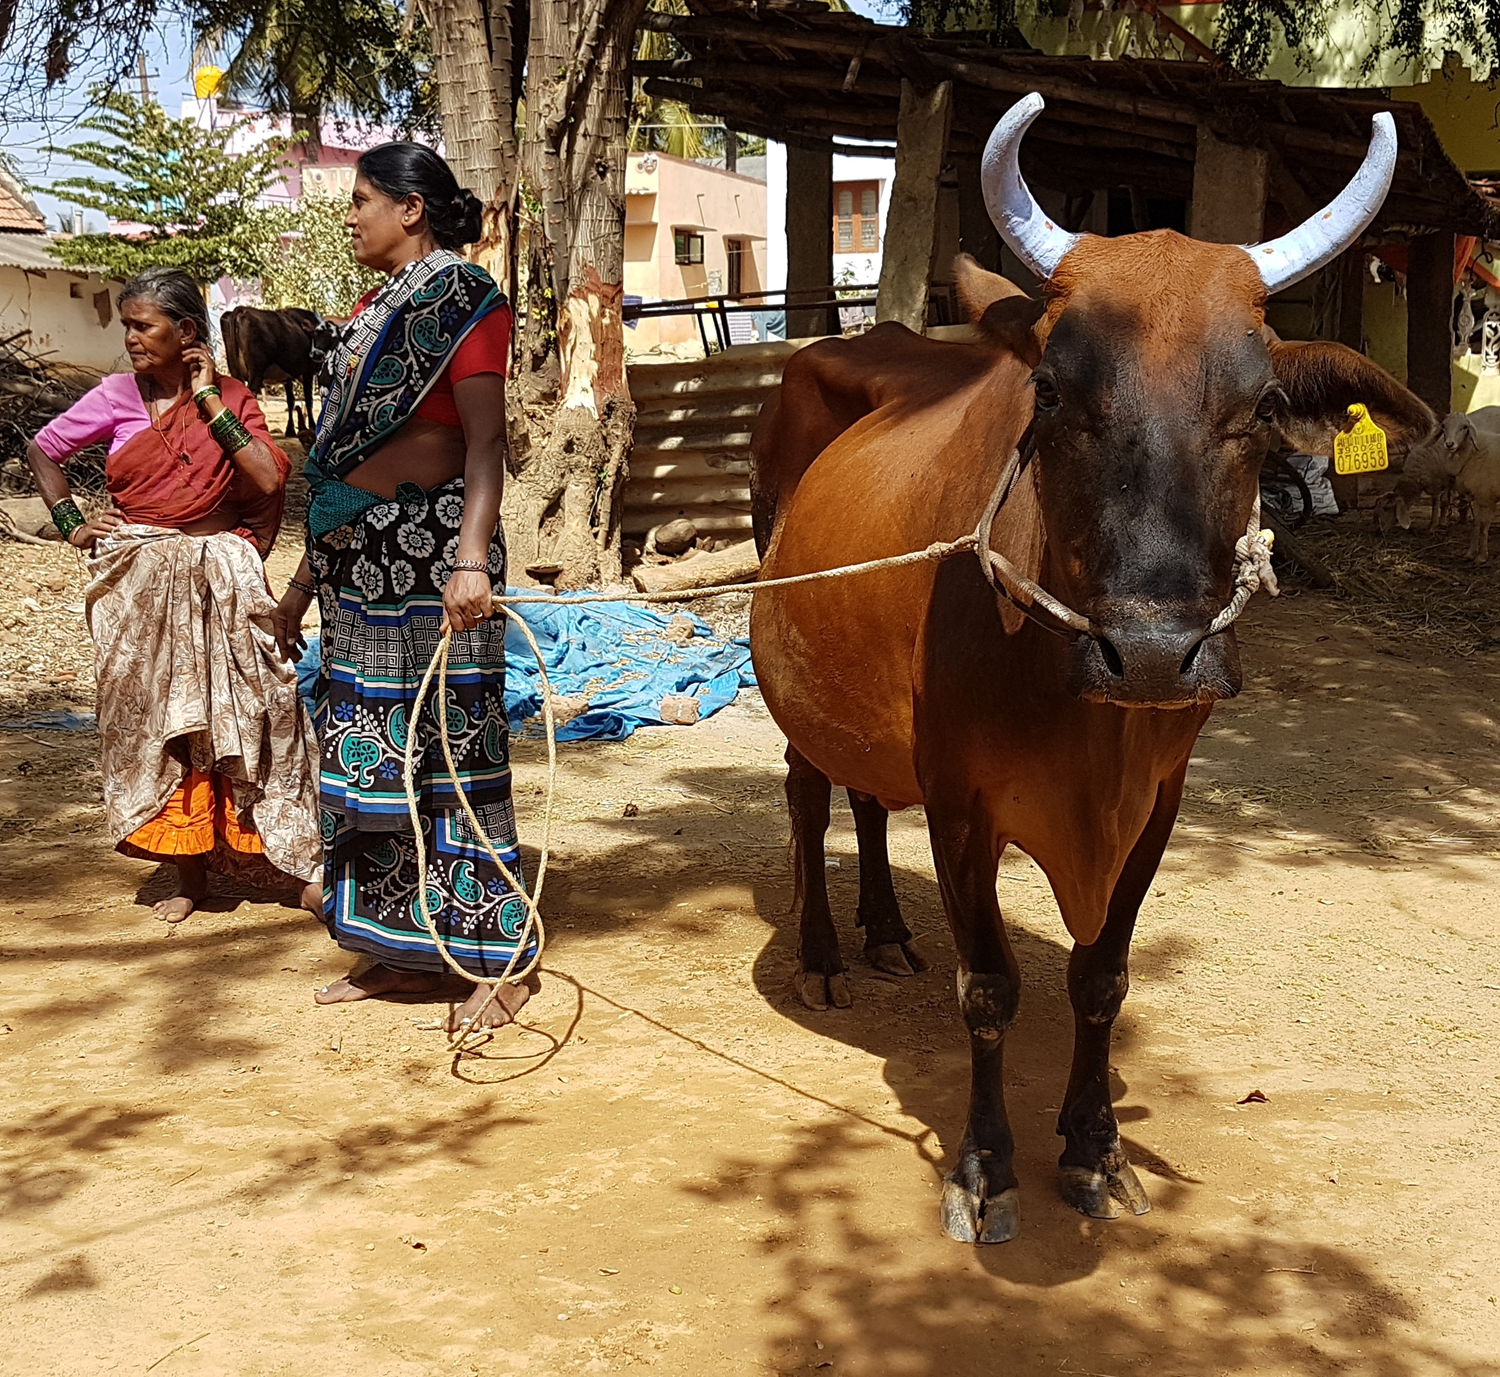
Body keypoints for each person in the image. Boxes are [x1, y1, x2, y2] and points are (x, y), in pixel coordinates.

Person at [270, 142, 536, 1034]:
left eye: (361, 200)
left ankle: (497, 959)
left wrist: (472, 560)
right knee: (376, 759)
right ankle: (400, 950)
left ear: (410, 208)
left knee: (457, 753)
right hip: (358, 568)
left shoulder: (465, 300)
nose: (350, 216)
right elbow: (340, 469)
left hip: (434, 561)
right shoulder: (368, 311)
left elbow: (484, 442)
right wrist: (298, 592)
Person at [27, 266, 322, 921]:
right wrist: (73, 523)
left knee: (252, 715)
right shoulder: (113, 396)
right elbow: (42, 451)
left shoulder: (234, 396)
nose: (130, 337)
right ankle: (190, 874)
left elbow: (267, 479)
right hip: (142, 584)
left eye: (144, 325)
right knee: (164, 725)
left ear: (186, 330)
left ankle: (282, 857)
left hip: (222, 580)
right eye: (126, 326)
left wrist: (210, 399)